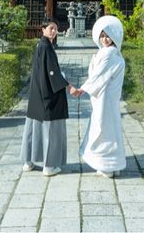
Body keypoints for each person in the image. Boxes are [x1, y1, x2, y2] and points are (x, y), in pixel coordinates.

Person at [71, 15, 126, 178]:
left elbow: (99, 75)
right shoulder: (112, 53)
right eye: (102, 36)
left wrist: (83, 89)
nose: (104, 39)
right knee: (110, 127)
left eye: (108, 36)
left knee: (103, 127)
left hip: (105, 97)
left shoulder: (109, 53)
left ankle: (106, 165)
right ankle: (113, 164)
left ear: (114, 36)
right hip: (107, 97)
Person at [20, 17, 73, 176]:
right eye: (51, 28)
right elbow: (53, 73)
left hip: (37, 91)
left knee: (32, 127)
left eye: (55, 28)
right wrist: (67, 86)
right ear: (43, 29)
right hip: (47, 93)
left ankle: (28, 161)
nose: (54, 31)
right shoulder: (46, 47)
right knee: (50, 129)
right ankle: (49, 166)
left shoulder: (41, 45)